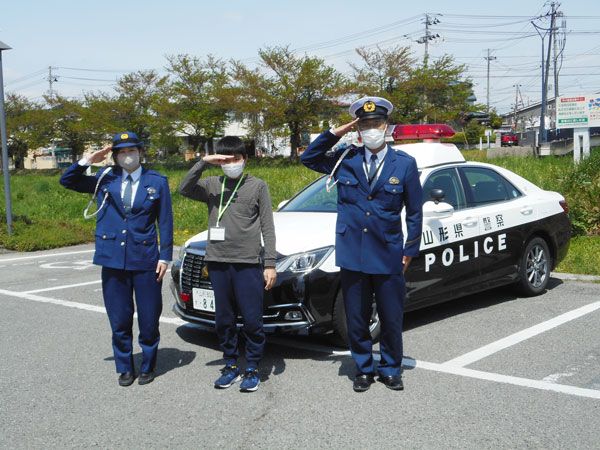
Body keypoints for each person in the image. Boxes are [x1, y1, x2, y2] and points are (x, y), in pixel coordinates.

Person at [301, 97, 423, 392]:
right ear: (357, 129)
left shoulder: (404, 164)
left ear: (386, 127)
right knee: (356, 316)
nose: (371, 130)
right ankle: (364, 369)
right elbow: (309, 158)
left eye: (376, 124)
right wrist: (337, 132)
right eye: (364, 125)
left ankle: (391, 368)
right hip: (352, 252)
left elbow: (415, 211)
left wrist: (409, 251)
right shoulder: (345, 159)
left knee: (391, 316)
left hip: (388, 252)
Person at [59, 132, 173, 387]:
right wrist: (88, 160)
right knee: (119, 318)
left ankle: (148, 365)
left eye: (131, 150)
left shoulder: (156, 181)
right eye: (121, 152)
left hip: (145, 258)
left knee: (149, 317)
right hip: (112, 258)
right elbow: (67, 181)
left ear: (140, 152)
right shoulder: (105, 178)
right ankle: (125, 367)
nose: (127, 156)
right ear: (115, 156)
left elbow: (165, 221)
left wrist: (165, 256)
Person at [178, 136, 276, 392]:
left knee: (252, 319)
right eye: (225, 160)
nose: (231, 164)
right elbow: (184, 189)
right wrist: (204, 162)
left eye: (236, 159)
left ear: (245, 159)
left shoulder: (258, 186)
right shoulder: (212, 185)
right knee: (224, 319)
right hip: (218, 262)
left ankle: (252, 366)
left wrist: (270, 264)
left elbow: (268, 226)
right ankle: (230, 364)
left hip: (247, 262)